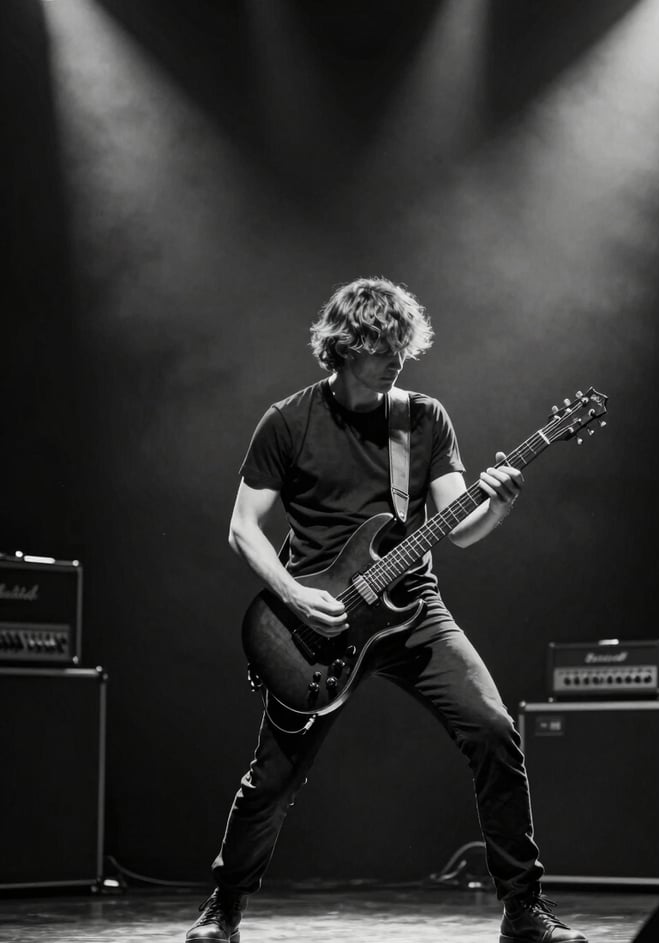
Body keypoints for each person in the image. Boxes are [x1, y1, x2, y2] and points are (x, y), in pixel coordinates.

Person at [186, 277, 587, 943]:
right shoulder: (289, 421)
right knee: (274, 776)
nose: (397, 355)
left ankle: (523, 910)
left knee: (492, 727)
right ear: (346, 347)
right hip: (313, 622)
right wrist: (294, 595)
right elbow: (242, 528)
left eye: (403, 343)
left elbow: (458, 526)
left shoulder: (424, 418)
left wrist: (500, 504)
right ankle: (223, 908)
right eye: (382, 345)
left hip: (412, 609)